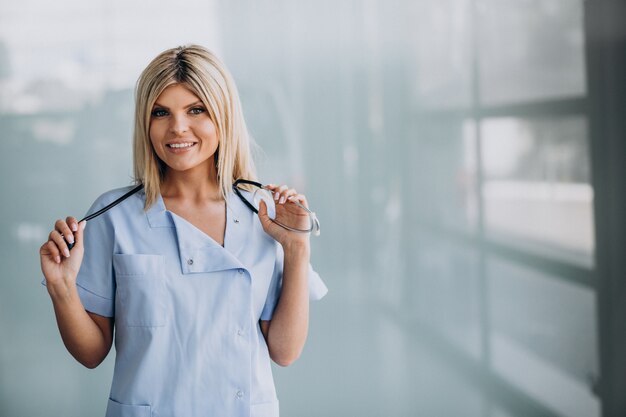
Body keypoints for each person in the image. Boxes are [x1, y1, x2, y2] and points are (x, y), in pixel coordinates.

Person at [39, 44, 327, 417]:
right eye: (161, 112)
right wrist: (62, 290)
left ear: (223, 116)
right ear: (145, 122)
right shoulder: (114, 217)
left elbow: (284, 352)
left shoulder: (265, 217)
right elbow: (92, 354)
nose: (177, 127)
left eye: (196, 110)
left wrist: (297, 248)